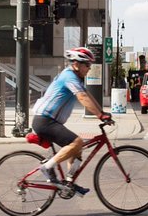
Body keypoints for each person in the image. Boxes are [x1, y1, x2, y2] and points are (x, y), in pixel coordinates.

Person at [31, 47, 109, 189]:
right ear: (76, 64)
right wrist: (100, 115)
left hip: (50, 121)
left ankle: (69, 181)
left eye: (90, 65)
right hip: (45, 120)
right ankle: (47, 167)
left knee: (77, 148)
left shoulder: (75, 78)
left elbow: (88, 95)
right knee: (77, 142)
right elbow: (82, 97)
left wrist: (102, 112)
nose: (89, 68)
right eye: (87, 65)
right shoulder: (69, 76)